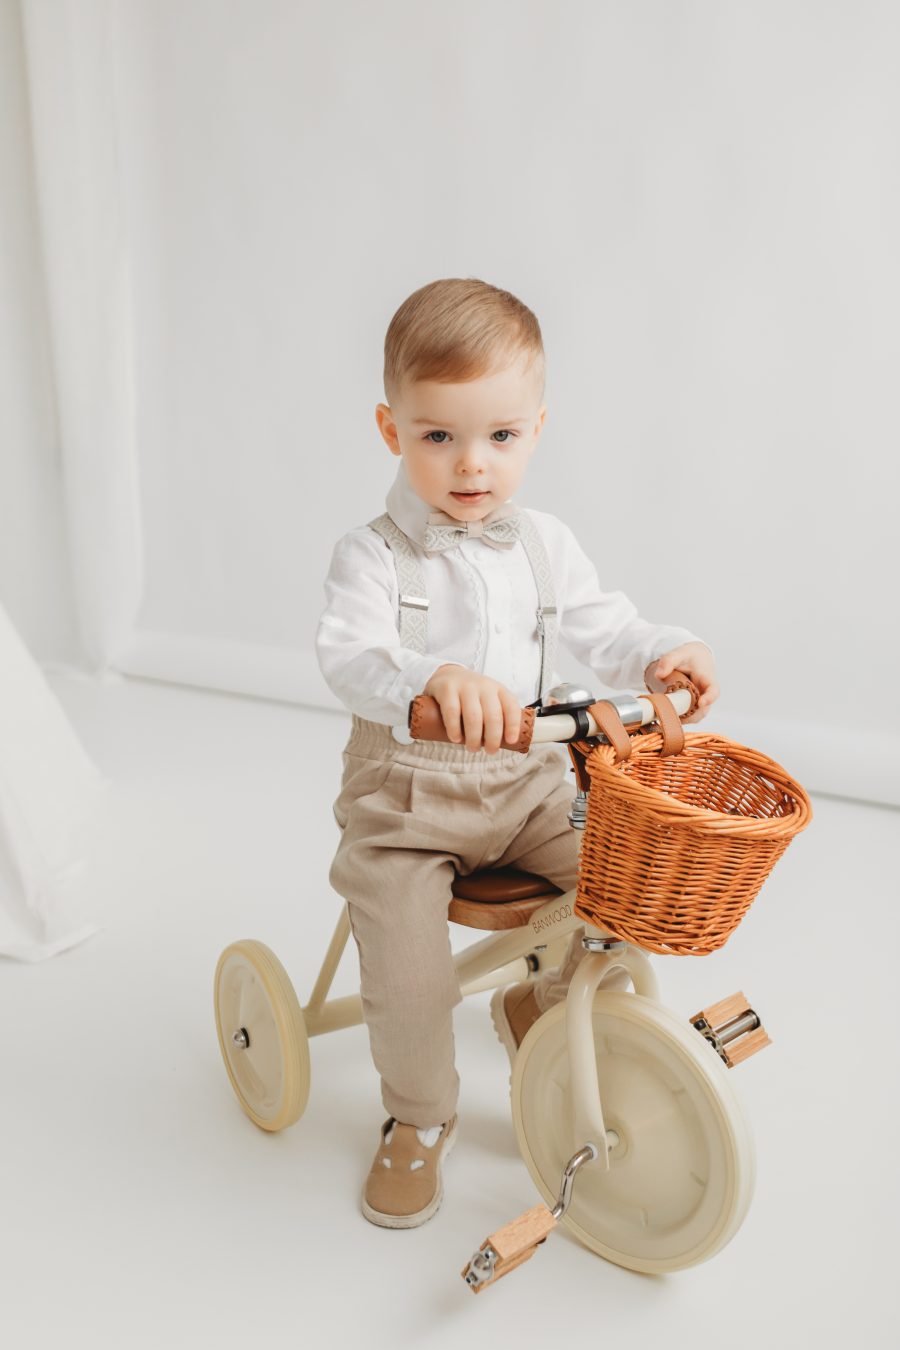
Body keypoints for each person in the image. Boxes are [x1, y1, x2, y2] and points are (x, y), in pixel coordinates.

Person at [316, 278, 718, 1230]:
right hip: (408, 799)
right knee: (409, 967)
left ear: (536, 429)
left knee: (617, 881)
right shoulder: (371, 555)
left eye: (500, 437)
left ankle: (540, 999)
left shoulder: (543, 544)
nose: (471, 466)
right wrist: (428, 680)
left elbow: (604, 626)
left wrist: (663, 649)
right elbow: (349, 656)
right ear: (392, 430)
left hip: (532, 783)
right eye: (439, 436)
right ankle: (419, 1116)